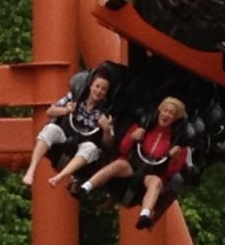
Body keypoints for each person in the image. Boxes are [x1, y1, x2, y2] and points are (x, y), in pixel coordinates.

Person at [76, 96, 189, 229]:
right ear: (159, 111)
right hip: (133, 165)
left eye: (171, 113)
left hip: (152, 173)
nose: (167, 115)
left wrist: (173, 157)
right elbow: (123, 149)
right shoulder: (144, 126)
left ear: (176, 118)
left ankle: (145, 215)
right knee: (119, 164)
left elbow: (171, 172)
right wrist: (133, 137)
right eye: (165, 111)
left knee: (156, 183)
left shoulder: (178, 142)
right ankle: (87, 187)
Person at [22, 70, 114, 187]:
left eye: (103, 89)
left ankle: (58, 178)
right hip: (64, 138)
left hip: (83, 147)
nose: (99, 91)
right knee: (51, 129)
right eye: (97, 86)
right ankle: (32, 169)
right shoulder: (76, 96)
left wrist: (106, 129)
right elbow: (50, 111)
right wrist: (67, 110)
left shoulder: (106, 112)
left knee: (91, 148)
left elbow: (109, 144)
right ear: (91, 86)